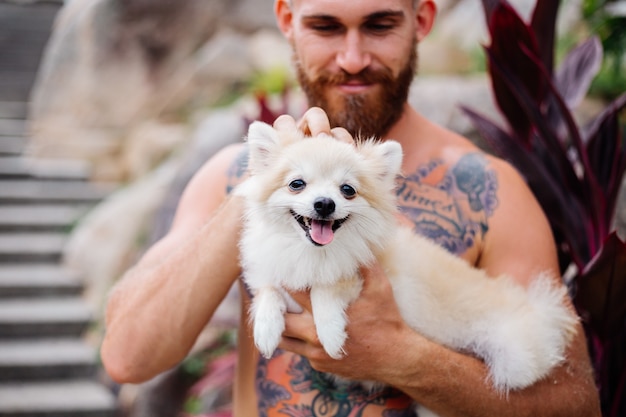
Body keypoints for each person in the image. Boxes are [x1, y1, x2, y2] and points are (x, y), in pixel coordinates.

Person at [101, 0, 602, 415]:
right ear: (286, 20)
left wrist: (404, 357)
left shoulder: (489, 191)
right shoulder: (232, 177)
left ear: (422, 19)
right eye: (326, 26)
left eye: (379, 25)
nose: (353, 57)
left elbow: (575, 405)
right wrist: (260, 192)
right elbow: (127, 354)